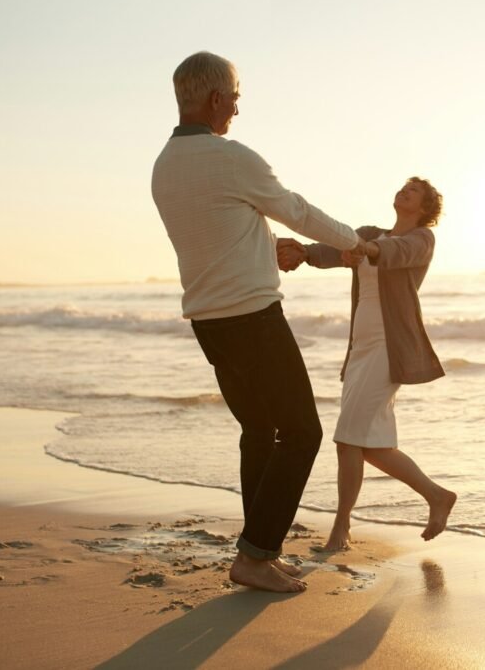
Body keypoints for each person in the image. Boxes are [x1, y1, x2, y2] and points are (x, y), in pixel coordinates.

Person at [151, 51, 365, 593]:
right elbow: (297, 208)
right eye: (236, 98)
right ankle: (254, 555)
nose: (238, 110)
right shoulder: (231, 157)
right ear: (217, 98)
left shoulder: (164, 165)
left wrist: (271, 250)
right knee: (302, 432)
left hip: (209, 322)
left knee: (259, 431)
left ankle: (258, 551)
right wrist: (358, 244)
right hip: (253, 319)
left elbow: (215, 239)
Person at [279, 177, 457, 551]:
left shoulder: (422, 239)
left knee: (348, 439)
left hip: (388, 349)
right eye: (403, 187)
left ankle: (340, 530)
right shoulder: (368, 234)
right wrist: (303, 253)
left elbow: (393, 253)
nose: (404, 192)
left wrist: (362, 249)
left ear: (424, 209)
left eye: (414, 192)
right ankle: (436, 495)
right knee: (364, 444)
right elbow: (333, 250)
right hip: (360, 348)